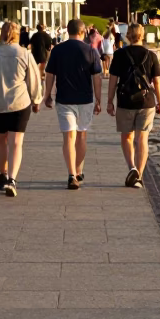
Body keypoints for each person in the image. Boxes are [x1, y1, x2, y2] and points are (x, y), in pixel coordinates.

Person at [0, 20, 41, 197]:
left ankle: (3, 175)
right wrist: (36, 99)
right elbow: (33, 79)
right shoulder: (24, 54)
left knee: (0, 140)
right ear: (17, 34)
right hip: (19, 103)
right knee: (16, 142)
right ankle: (12, 179)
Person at [44, 18, 102, 190]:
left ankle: (71, 174)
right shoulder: (91, 51)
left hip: (64, 98)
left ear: (67, 31)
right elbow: (97, 77)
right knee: (81, 135)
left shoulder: (58, 50)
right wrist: (98, 99)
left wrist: (46, 95)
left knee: (69, 137)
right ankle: (78, 171)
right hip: (85, 99)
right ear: (83, 32)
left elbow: (50, 74)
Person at [107, 21, 160, 187]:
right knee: (142, 138)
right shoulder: (151, 55)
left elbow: (113, 80)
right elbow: (157, 82)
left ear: (128, 36)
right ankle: (139, 175)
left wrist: (109, 101)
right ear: (142, 35)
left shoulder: (119, 55)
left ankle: (132, 167)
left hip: (125, 101)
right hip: (146, 102)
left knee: (127, 136)